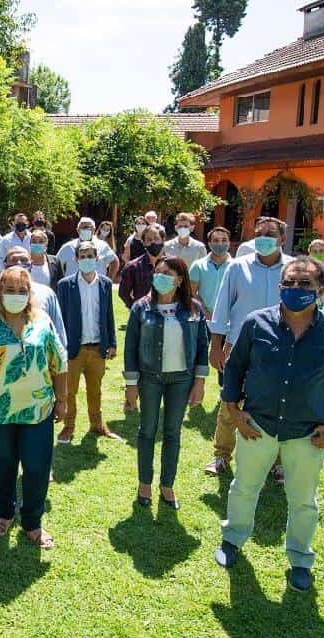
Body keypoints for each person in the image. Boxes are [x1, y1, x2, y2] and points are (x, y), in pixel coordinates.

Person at [215, 257, 324, 593]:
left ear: (321, 289)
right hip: (258, 426)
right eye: (289, 283)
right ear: (280, 286)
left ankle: (300, 559)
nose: (296, 289)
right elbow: (234, 370)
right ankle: (232, 540)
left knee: (303, 501)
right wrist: (234, 413)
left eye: (305, 284)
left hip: (307, 434)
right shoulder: (255, 323)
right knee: (243, 488)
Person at [0, 265, 67, 549]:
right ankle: (4, 514)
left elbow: (59, 363)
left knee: (37, 466)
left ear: (30, 293)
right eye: (10, 290)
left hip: (38, 410)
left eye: (22, 290)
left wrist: (63, 400)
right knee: (4, 464)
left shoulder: (42, 322)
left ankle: (32, 522)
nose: (16, 295)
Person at [206, 217, 292, 478]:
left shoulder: (294, 269)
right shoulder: (237, 268)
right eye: (259, 234)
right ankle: (221, 455)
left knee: (280, 403)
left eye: (270, 234)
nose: (263, 238)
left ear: (282, 239)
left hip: (282, 346)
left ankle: (278, 462)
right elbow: (222, 306)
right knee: (230, 400)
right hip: (239, 346)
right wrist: (216, 345)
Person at [123, 257, 209, 509]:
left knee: (173, 432)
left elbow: (203, 345)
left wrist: (200, 382)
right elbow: (130, 348)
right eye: (158, 272)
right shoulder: (141, 308)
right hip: (150, 378)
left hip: (181, 380)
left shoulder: (193, 309)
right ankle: (144, 484)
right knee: (147, 431)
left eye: (167, 273)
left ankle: (167, 485)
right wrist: (131, 384)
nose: (160, 277)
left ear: (180, 280)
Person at [55, 241, 118, 445]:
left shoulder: (106, 284)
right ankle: (69, 426)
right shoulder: (65, 285)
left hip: (98, 347)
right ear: (76, 259)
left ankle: (97, 425)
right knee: (69, 390)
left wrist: (112, 343)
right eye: (82, 256)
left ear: (97, 258)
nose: (86, 259)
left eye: (90, 255)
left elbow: (109, 315)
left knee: (95, 389)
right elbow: (60, 318)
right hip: (74, 348)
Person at [0, 247, 68, 353]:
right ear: (5, 265)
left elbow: (58, 331)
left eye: (24, 260)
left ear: (31, 263)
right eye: (14, 260)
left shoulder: (47, 294)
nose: (19, 263)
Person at [118, 224, 166, 309]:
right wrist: (136, 308)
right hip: (143, 318)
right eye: (149, 240)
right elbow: (123, 293)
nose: (153, 242)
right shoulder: (132, 267)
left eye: (156, 239)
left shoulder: (173, 265)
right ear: (143, 243)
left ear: (163, 240)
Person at [189, 226, 233, 317]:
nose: (220, 243)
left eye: (224, 240)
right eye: (216, 240)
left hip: (229, 319)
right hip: (203, 318)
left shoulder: (236, 266)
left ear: (229, 243)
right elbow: (191, 292)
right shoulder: (198, 265)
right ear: (209, 244)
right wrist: (205, 312)